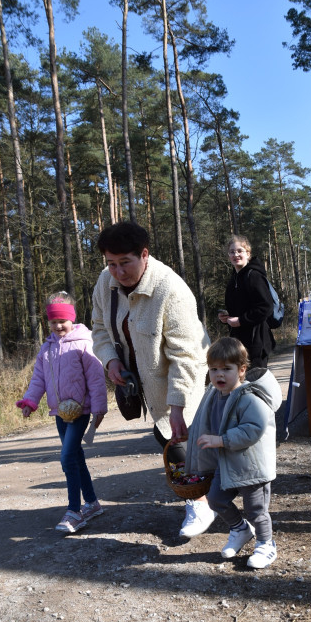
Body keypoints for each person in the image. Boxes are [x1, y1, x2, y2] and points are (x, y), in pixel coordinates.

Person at [91, 222, 213, 539]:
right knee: (170, 440)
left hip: (180, 378)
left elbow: (187, 356)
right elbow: (100, 329)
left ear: (144, 255)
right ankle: (209, 495)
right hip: (139, 379)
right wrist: (111, 360)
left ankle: (200, 504)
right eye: (110, 263)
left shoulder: (171, 290)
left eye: (125, 263)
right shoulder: (105, 283)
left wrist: (177, 406)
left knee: (179, 441)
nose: (117, 272)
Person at [185, 337, 282, 568]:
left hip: (251, 466)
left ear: (241, 370)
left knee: (256, 509)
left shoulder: (249, 397)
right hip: (226, 463)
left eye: (226, 369)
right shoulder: (214, 395)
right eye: (213, 369)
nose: (219, 375)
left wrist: (221, 440)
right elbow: (204, 421)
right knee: (216, 499)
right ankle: (240, 529)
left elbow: (253, 429)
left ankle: (266, 544)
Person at [17, 291, 107, 533]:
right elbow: (38, 379)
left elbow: (96, 379)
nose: (58, 326)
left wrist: (99, 408)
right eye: (53, 321)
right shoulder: (46, 349)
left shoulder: (84, 343)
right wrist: (30, 402)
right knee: (76, 457)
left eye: (62, 321)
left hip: (80, 411)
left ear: (72, 318)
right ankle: (92, 503)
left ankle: (74, 511)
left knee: (67, 458)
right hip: (59, 412)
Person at [218, 236, 275, 368]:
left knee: (255, 384)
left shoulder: (254, 276)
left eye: (240, 251)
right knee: (243, 385)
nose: (236, 254)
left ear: (248, 254)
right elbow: (242, 306)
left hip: (257, 343)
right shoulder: (234, 279)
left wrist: (240, 320)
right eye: (232, 252)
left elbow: (266, 307)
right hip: (239, 343)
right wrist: (226, 316)